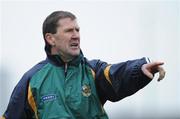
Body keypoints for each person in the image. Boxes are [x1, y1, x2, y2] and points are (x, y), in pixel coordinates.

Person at [1, 11, 165, 119]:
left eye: (77, 30)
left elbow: (116, 75)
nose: (76, 36)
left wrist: (139, 69)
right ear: (50, 38)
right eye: (69, 31)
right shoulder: (32, 79)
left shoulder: (93, 71)